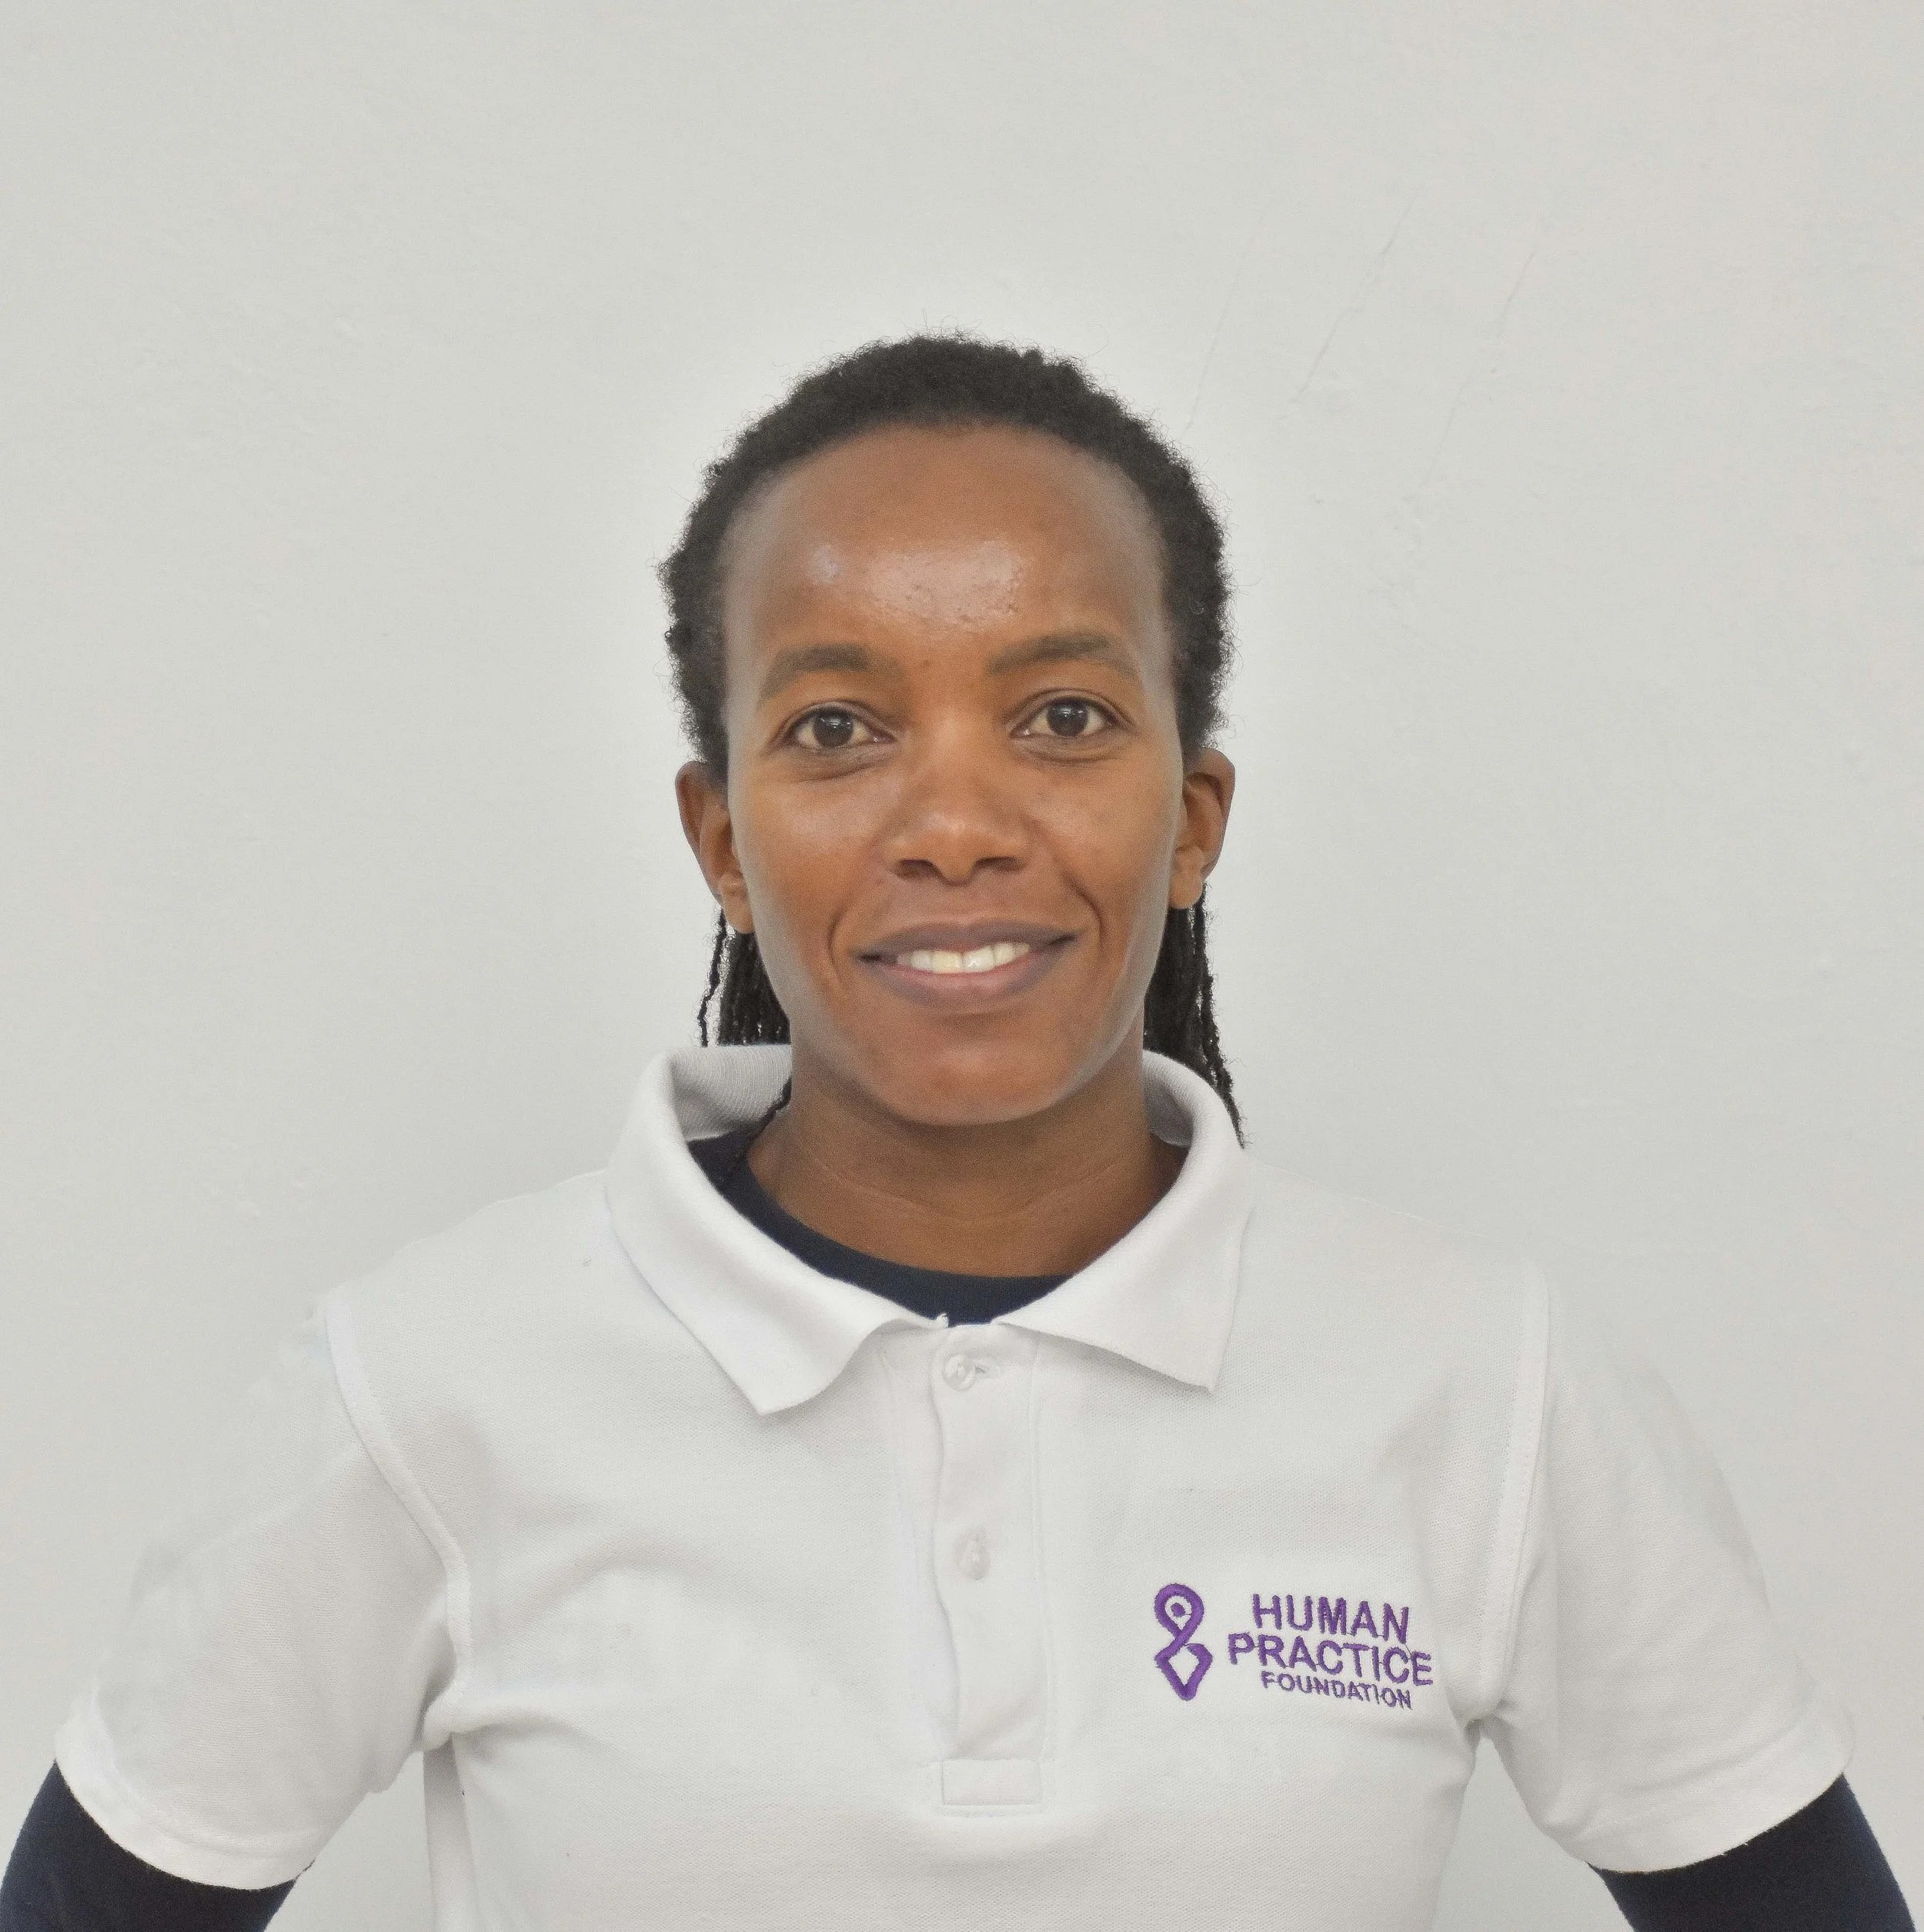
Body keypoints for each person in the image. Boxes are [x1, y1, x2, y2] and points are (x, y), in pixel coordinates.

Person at [2, 337, 1911, 1932]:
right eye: (837, 730)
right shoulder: (426, 1381)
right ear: (720, 839)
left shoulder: (1480, 1380)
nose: (955, 823)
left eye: (1064, 713)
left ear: (1192, 816)